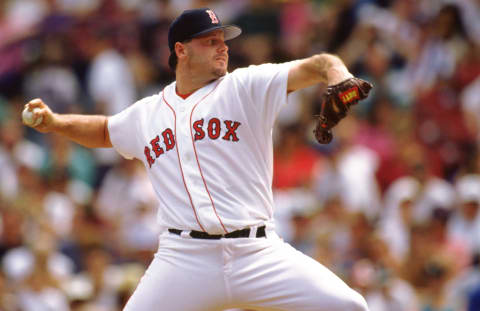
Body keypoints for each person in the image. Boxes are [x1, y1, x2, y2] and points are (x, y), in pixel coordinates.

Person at [23, 8, 370, 311]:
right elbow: (103, 131)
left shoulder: (244, 86)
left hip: (256, 251)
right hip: (184, 259)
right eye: (211, 41)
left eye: (224, 40)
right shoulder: (148, 112)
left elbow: (320, 64)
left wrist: (340, 77)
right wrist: (56, 122)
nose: (223, 47)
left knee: (349, 306)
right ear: (181, 49)